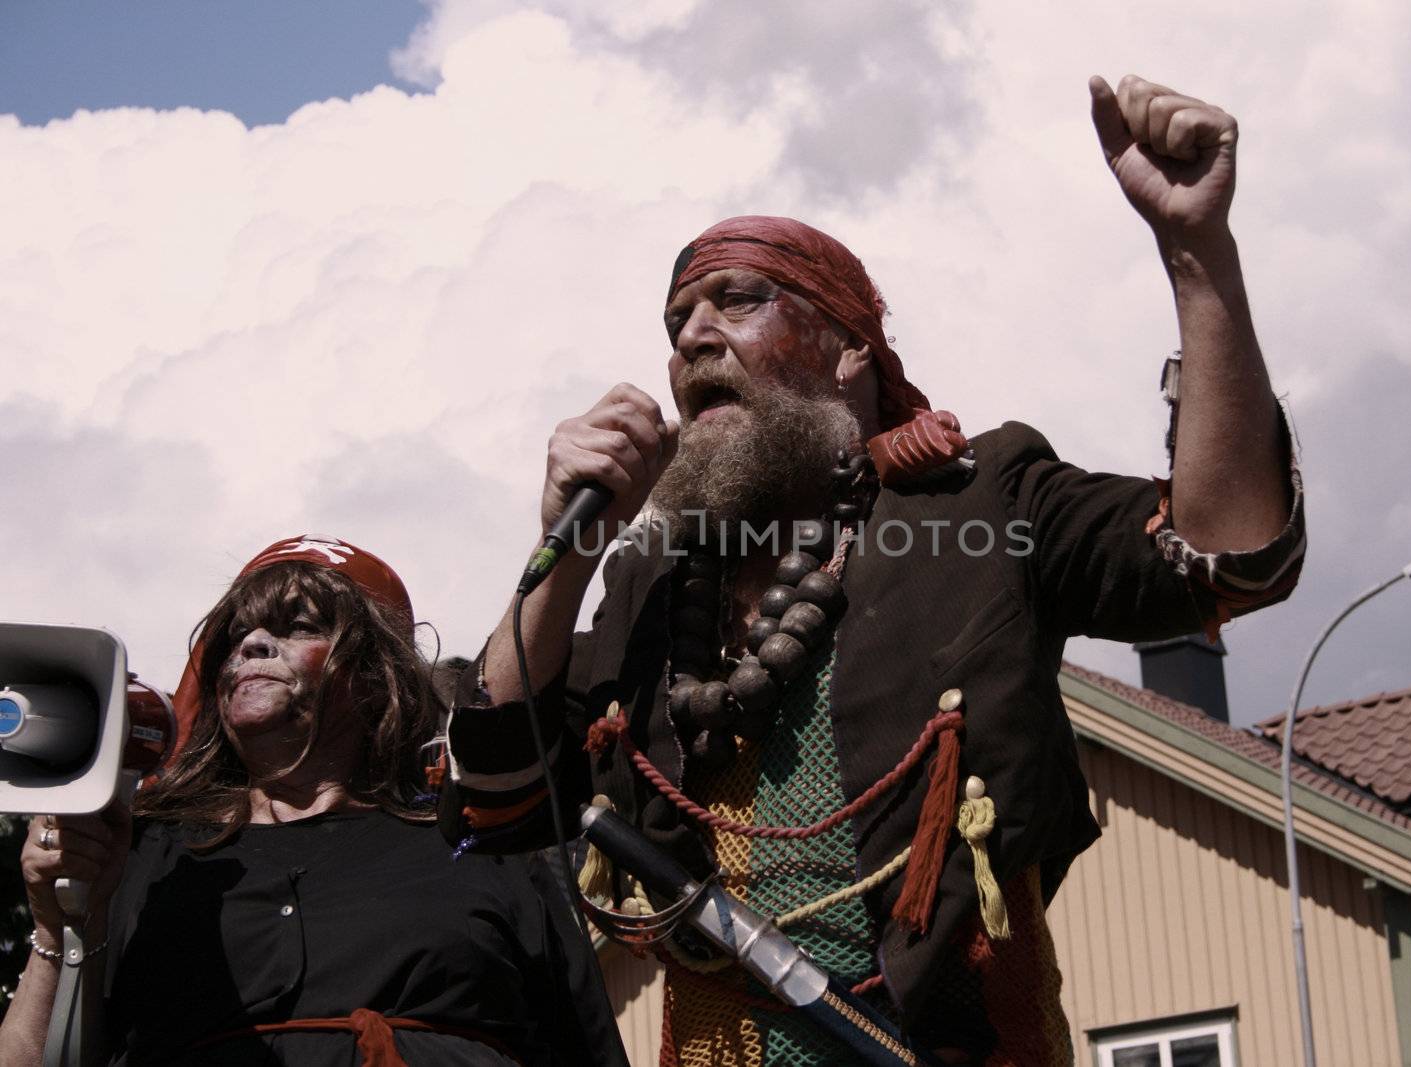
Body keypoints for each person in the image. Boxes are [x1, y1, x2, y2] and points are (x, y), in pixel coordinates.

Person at [443, 75, 1307, 1064]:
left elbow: (1229, 554)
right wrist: (568, 543)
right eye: (677, 319)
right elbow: (493, 797)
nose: (690, 337)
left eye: (738, 300)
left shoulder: (984, 499)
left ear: (853, 345)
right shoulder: (653, 581)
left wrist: (1197, 255)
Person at [0, 536, 627, 1067]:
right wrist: (64, 921)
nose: (250, 646)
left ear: (377, 674)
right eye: (236, 636)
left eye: (298, 626)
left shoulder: (477, 842)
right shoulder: (146, 857)